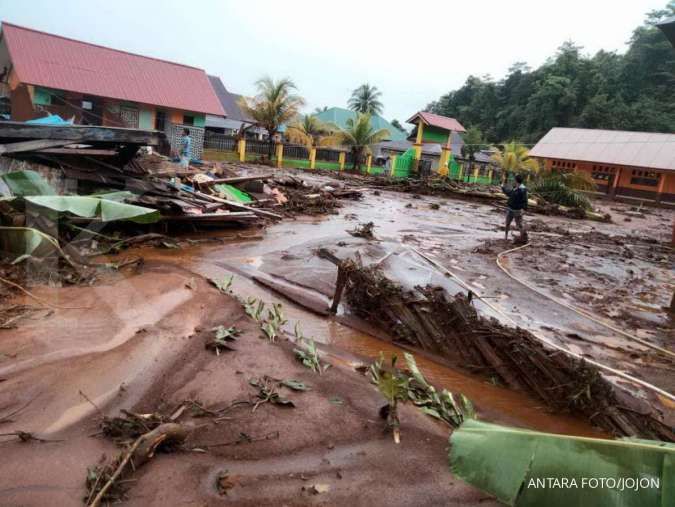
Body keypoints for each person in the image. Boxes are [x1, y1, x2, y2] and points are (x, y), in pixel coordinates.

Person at [502, 174, 528, 242]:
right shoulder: (515, 188)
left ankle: (524, 238)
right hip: (510, 209)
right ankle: (506, 237)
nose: (513, 181)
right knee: (507, 223)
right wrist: (503, 187)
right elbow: (509, 193)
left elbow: (525, 201)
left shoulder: (522, 190)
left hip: (517, 211)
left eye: (514, 180)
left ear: (516, 181)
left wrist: (523, 209)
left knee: (519, 225)